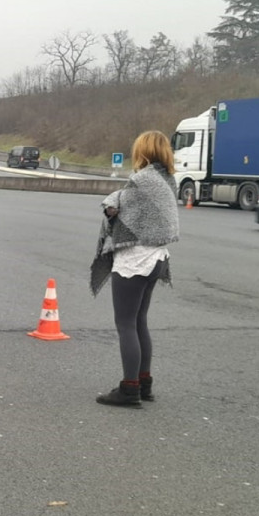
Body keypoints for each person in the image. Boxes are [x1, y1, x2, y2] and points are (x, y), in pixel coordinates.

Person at [90, 130, 180, 408]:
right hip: (157, 257)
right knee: (139, 320)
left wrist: (112, 202)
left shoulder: (141, 180)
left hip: (135, 258)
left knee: (125, 323)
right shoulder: (168, 180)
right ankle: (144, 383)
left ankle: (129, 390)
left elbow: (117, 212)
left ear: (142, 151)